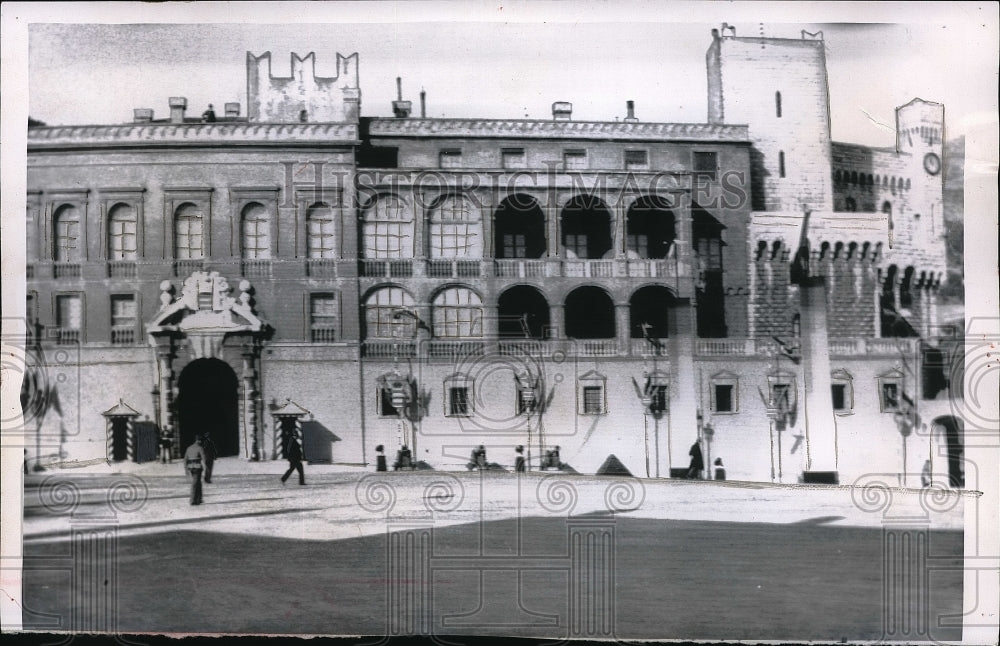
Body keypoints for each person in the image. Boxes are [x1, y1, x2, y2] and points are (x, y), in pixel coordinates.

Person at [184, 436, 205, 505]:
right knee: (195, 483)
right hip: (197, 467)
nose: (201, 442)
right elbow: (204, 459)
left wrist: (186, 469)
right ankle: (192, 500)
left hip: (190, 467)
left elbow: (185, 459)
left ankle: (199, 499)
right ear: (198, 441)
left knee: (198, 482)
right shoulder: (200, 448)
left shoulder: (189, 448)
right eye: (200, 441)